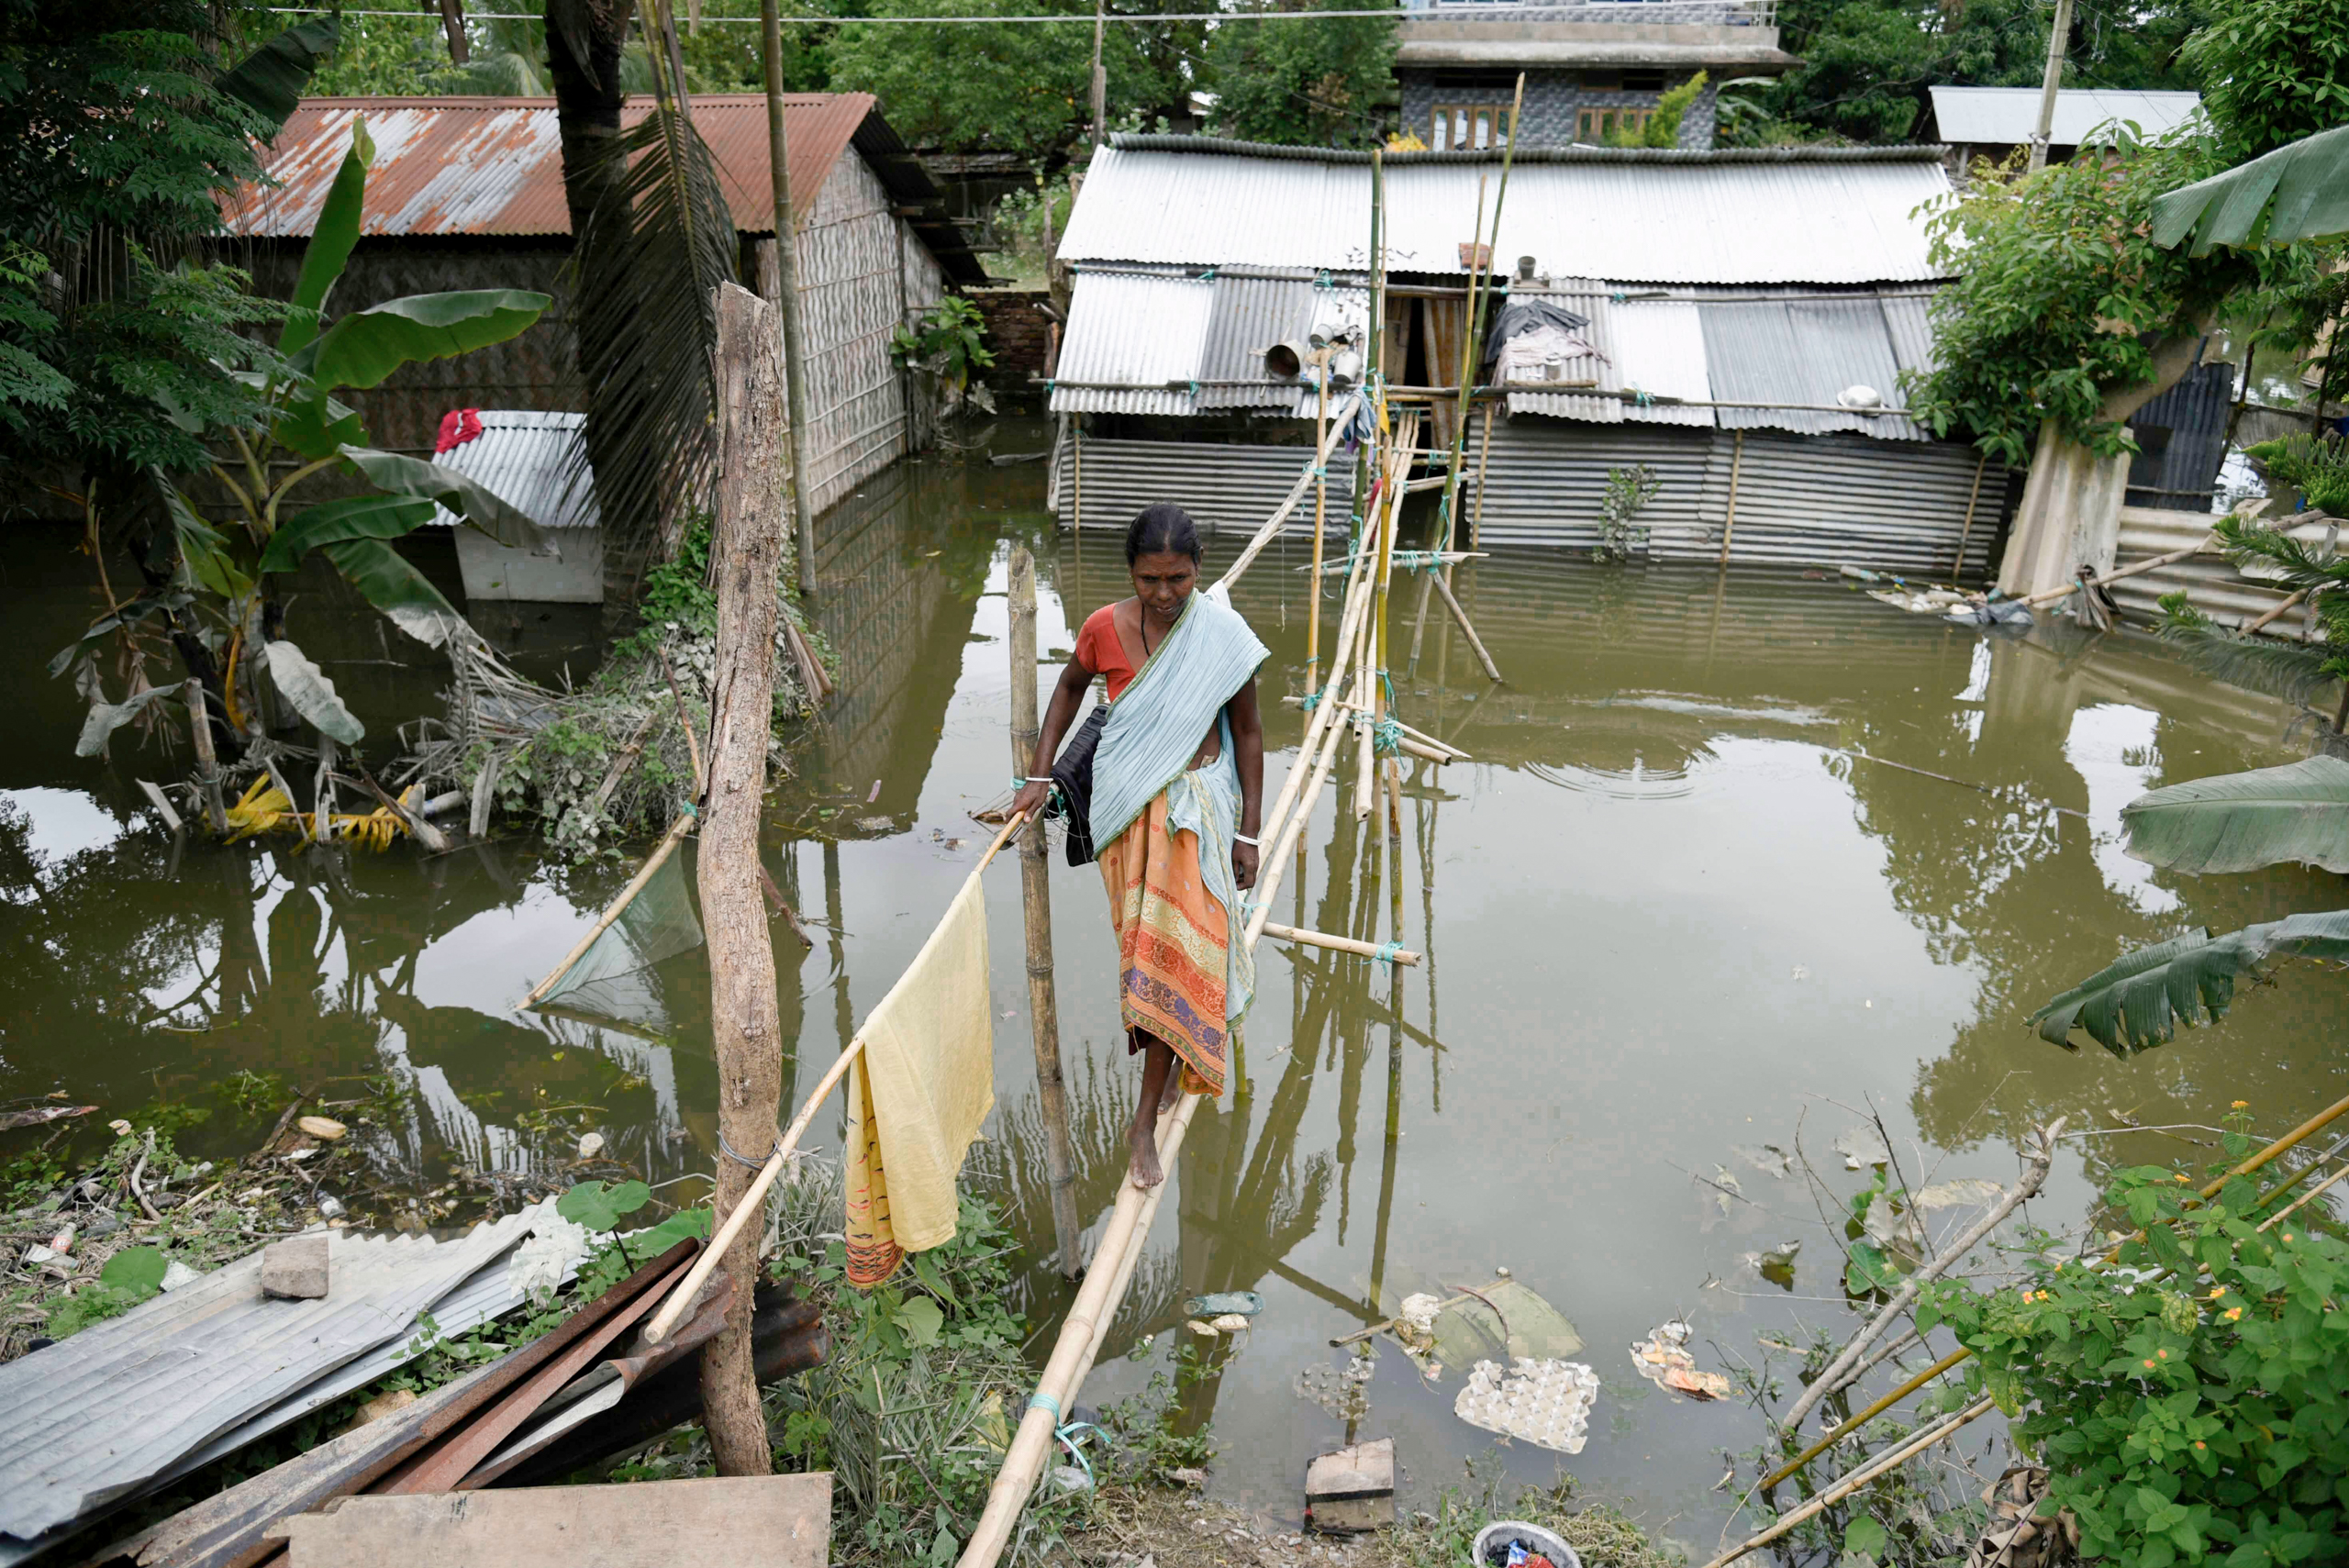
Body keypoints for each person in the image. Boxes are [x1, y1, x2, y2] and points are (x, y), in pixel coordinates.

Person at [1010, 505, 1268, 1187]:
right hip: (1128, 823)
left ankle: (1144, 1117)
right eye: (1151, 579)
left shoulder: (1221, 634)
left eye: (1178, 579)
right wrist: (1040, 773)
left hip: (1199, 817)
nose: (1163, 593)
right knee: (1153, 967)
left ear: (1197, 570)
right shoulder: (1104, 628)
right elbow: (1068, 689)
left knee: (1187, 965)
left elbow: (1247, 734)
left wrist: (1250, 834)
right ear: (1131, 572)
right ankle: (1146, 1118)